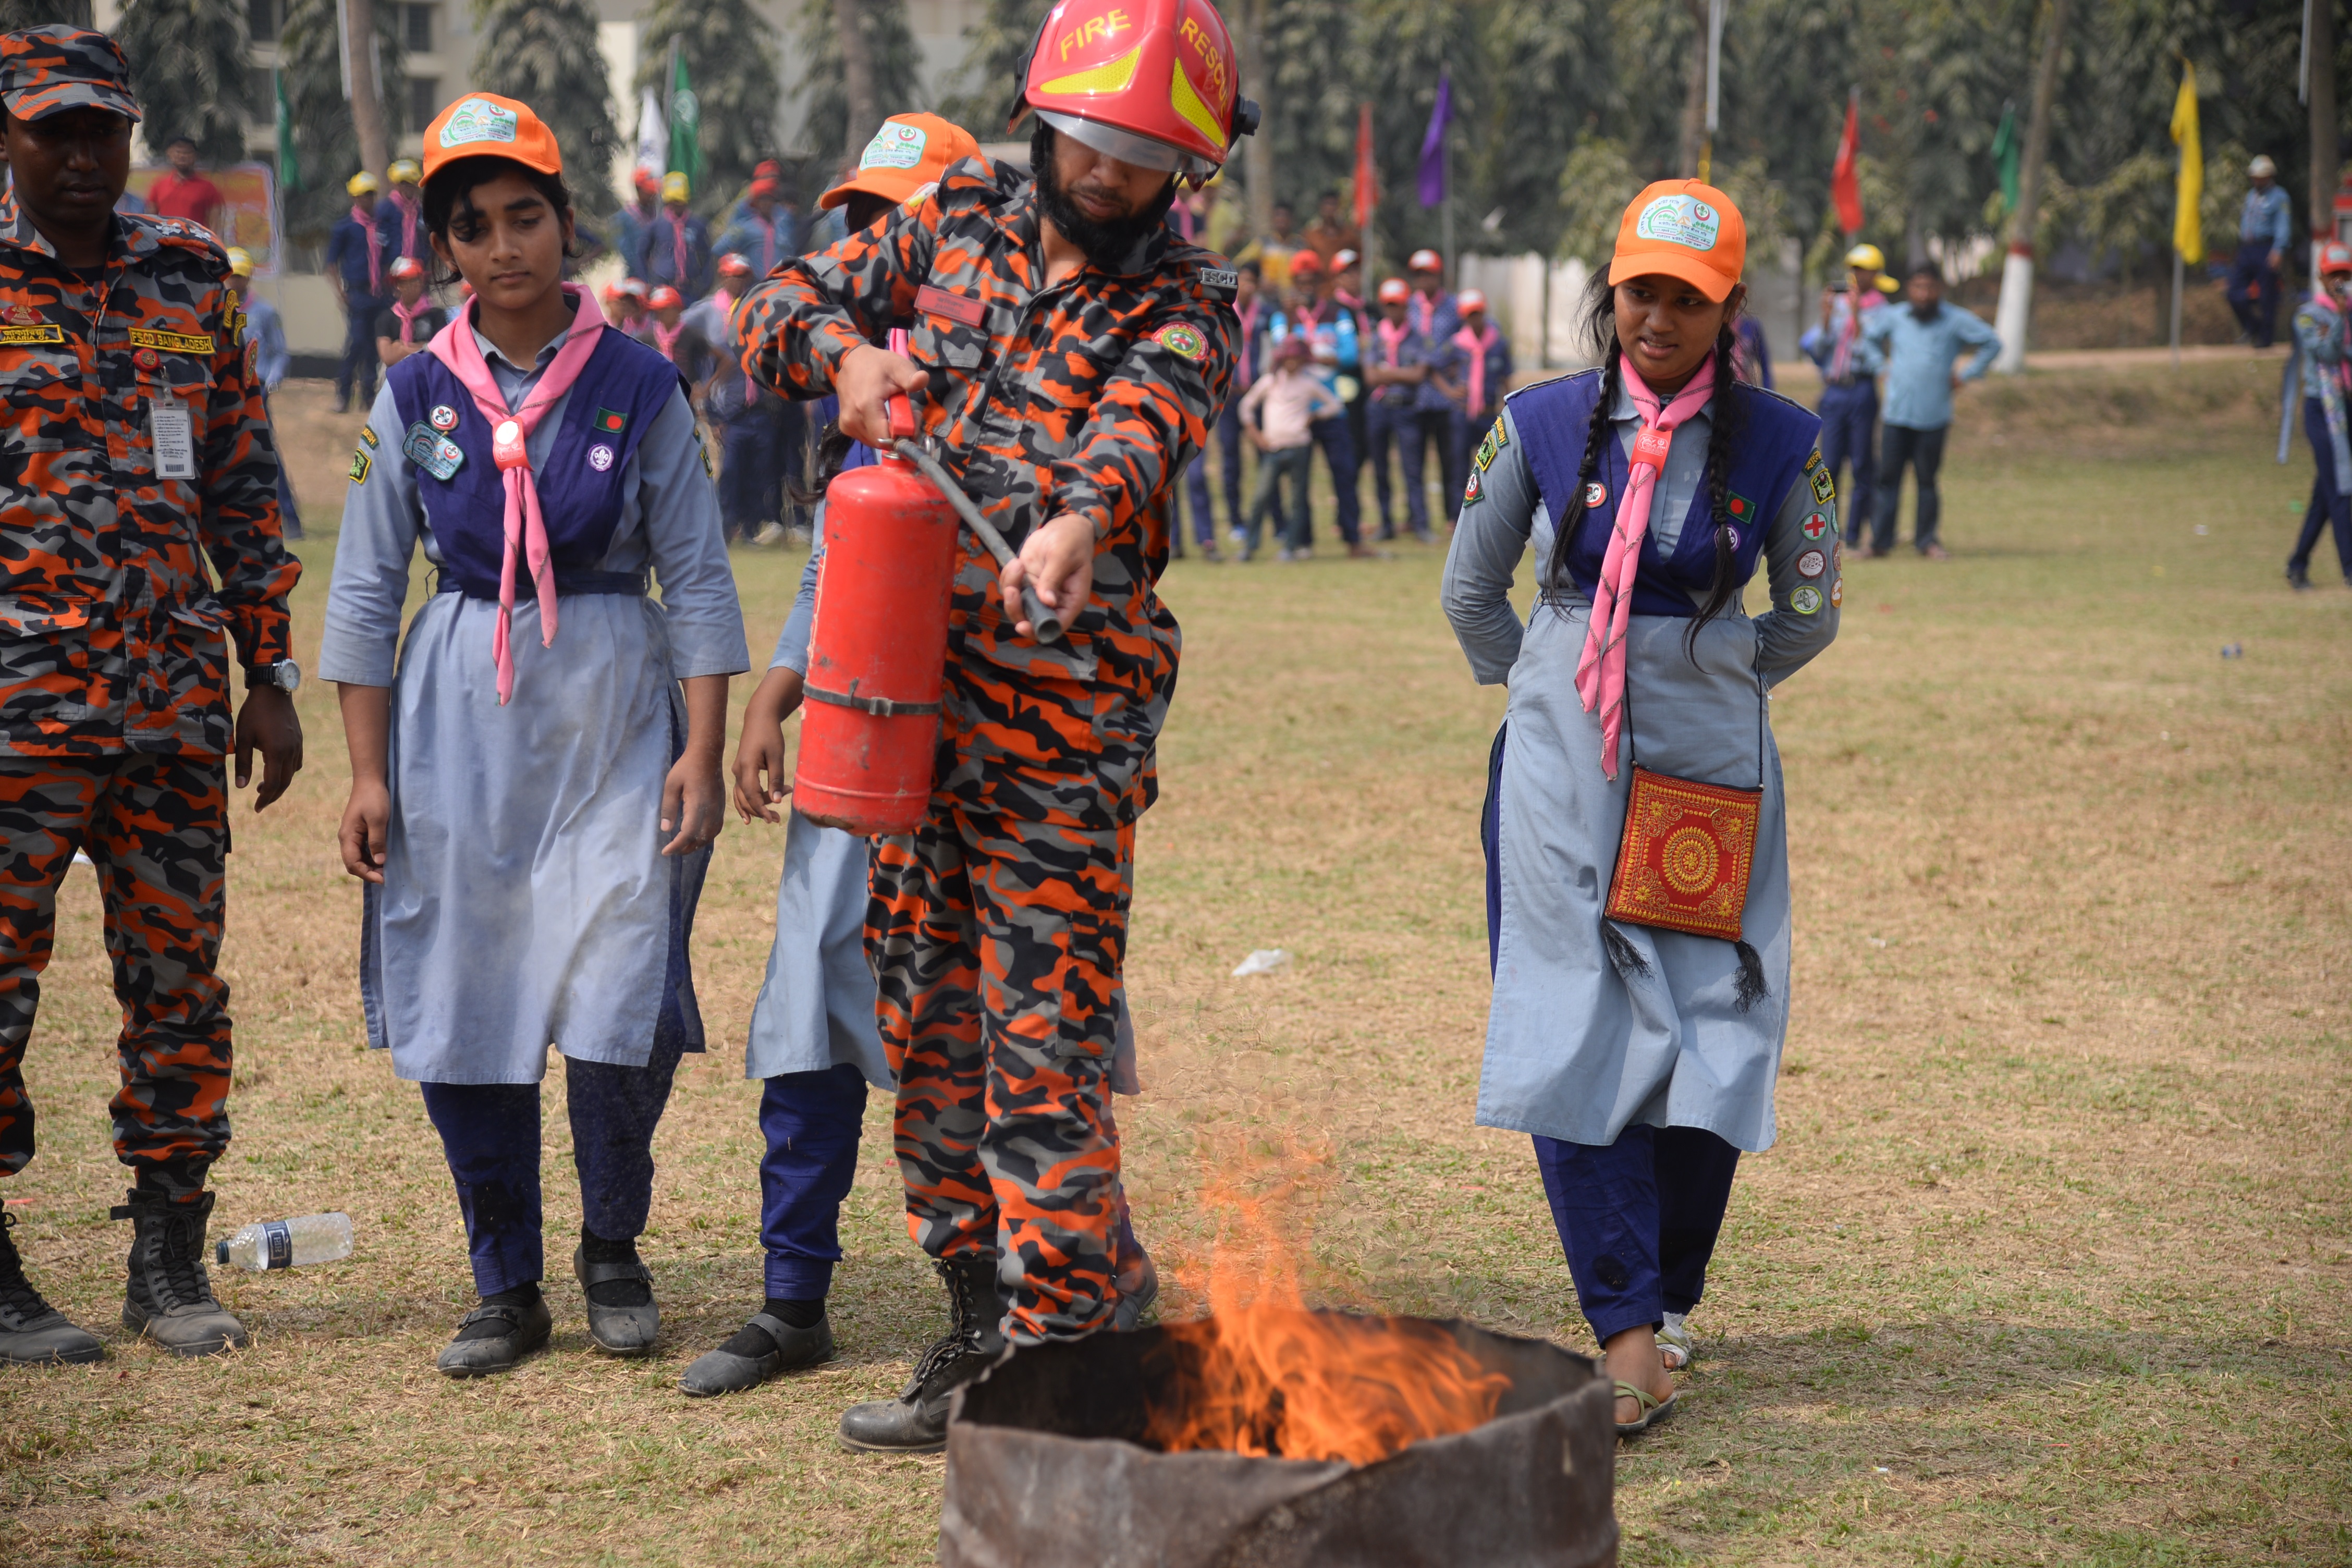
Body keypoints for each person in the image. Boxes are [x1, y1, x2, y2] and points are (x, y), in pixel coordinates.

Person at [736, 0, 1248, 1452]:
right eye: (1091, 140)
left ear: (1188, 169)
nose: (1109, 175)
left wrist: (1080, 518)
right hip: (906, 723)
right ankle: (993, 1319)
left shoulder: (1192, 303)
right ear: (1046, 116)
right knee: (926, 1026)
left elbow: (1141, 430)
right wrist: (843, 359)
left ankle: (1065, 1365)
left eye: (1146, 157)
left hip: (1060, 747)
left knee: (1045, 1044)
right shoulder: (957, 213)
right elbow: (778, 303)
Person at [318, 93, 748, 1378]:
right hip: (459, 713)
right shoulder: (409, 393)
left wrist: (702, 749)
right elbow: (359, 587)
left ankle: (613, 1245)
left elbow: (702, 574)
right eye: (473, 226)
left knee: (620, 984)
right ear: (443, 248)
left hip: (615, 705)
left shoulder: (641, 381)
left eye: (525, 216)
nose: (503, 246)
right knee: (471, 987)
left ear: (569, 224)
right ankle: (502, 1277)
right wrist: (363, 772)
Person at [1440, 179, 1839, 1439]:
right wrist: (1554, 682)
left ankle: (1663, 1297)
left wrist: (1705, 674)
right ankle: (1622, 1326)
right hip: (1560, 774)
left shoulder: (1784, 441)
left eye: (1686, 296)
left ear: (1726, 309)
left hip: (1703, 778)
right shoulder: (1534, 423)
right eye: (1639, 291)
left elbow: (1810, 608)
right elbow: (1468, 593)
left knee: (1702, 1022)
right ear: (1606, 294)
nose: (1657, 315)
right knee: (1572, 1018)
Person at [0, 25, 304, 1365]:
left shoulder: (189, 277)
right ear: (8, 137)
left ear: (131, 136)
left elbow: (243, 486)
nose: (77, 155)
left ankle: (168, 1251)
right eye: (50, 130)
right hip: (14, 715)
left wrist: (272, 671)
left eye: (99, 131)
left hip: (173, 709)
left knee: (178, 989)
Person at [1860, 263, 1999, 559]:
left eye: (1930, 287)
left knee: (1927, 481)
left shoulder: (1954, 320)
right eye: (1918, 287)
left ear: (1940, 289)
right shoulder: (1895, 317)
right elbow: (1869, 340)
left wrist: (1967, 374)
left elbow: (1992, 343)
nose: (1924, 294)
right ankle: (1880, 543)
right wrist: (1879, 367)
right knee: (1887, 480)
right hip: (1897, 414)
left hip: (1933, 416)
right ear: (1909, 289)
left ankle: (1927, 541)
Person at [1276, 248, 1368, 556]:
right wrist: (1294, 330)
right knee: (1299, 483)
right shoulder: (1284, 316)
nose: (1306, 287)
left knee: (1345, 473)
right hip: (1299, 413)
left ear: (1320, 282)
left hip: (1331, 409)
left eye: (1311, 281)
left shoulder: (1336, 314)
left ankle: (1353, 539)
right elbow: (1281, 355)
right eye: (1300, 281)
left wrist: (1307, 354)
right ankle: (1303, 542)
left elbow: (1350, 355)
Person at [689, 253, 780, 543]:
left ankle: (752, 529)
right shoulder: (706, 312)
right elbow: (680, 343)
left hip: (759, 405)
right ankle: (725, 529)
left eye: (743, 275)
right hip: (725, 409)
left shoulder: (759, 307)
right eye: (733, 275)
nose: (739, 281)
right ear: (723, 276)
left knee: (759, 471)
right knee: (728, 473)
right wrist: (700, 387)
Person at [1796, 265, 1885, 532]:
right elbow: (1813, 349)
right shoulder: (1835, 311)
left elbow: (1867, 351)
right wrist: (1826, 318)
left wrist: (1857, 316)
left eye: (1865, 272)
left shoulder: (1881, 311)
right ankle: (1827, 529)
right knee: (1829, 464)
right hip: (1834, 391)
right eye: (1853, 273)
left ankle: (1856, 532)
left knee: (1861, 463)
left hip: (1861, 388)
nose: (1858, 278)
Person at [1239, 334, 1342, 560]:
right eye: (1289, 359)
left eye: (1297, 359)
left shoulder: (1308, 384)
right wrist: (1256, 435)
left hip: (1299, 447)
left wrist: (1315, 416)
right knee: (1260, 497)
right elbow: (1246, 406)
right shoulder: (1270, 382)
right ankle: (1249, 547)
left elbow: (1334, 404)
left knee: (1298, 500)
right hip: (1273, 448)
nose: (1292, 363)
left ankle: (1292, 547)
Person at [226, 246, 305, 541]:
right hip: (223, 391)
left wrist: (273, 379)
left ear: (248, 279)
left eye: (240, 276)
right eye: (231, 276)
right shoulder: (215, 310)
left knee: (266, 452)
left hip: (256, 389)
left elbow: (279, 351)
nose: (235, 282)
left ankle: (291, 518)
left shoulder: (265, 312)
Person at [2287, 243, 2352, 589]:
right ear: (2321, 277)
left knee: (2324, 495)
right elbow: (2326, 352)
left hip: (2347, 405)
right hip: (2321, 408)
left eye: (2345, 274)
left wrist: (2340, 330)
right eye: (2334, 275)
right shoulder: (2308, 315)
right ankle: (2350, 568)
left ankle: (2297, 564)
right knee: (2342, 486)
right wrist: (2341, 321)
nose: (2340, 281)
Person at [1366, 275, 1434, 541]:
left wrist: (1387, 372)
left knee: (1413, 468)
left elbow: (1419, 375)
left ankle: (1421, 523)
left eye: (1398, 305)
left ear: (1407, 307)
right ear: (1383, 307)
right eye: (1389, 305)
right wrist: (1401, 373)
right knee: (1380, 469)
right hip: (1380, 408)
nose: (1394, 310)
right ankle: (1385, 523)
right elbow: (1371, 377)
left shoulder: (1418, 338)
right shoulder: (1375, 337)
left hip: (1407, 409)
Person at [324, 169, 390, 412]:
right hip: (358, 293)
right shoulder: (345, 227)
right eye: (363, 195)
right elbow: (331, 263)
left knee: (375, 346)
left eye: (371, 195)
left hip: (380, 294)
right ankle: (343, 393)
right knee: (356, 343)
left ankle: (368, 397)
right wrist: (341, 293)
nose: (368, 200)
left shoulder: (382, 226)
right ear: (354, 198)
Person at [1446, 288, 1511, 520]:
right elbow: (1434, 367)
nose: (1474, 319)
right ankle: (1456, 517)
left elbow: (1506, 377)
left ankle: (1491, 514)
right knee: (1459, 466)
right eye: (1470, 314)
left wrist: (1507, 409)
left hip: (1487, 414)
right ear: (1463, 317)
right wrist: (1450, 390)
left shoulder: (1498, 343)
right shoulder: (1456, 344)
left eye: (1478, 313)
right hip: (1462, 414)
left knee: (1491, 466)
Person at [2228, 155, 2293, 351]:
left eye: (2261, 177)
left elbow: (2283, 225)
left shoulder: (2280, 197)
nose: (2257, 180)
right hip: (2247, 248)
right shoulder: (2251, 196)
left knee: (2268, 296)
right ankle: (2252, 327)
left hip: (2267, 248)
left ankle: (2265, 339)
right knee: (2234, 292)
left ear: (2269, 176)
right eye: (2254, 176)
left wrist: (2278, 250)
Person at [717, 167, 800, 277]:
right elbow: (720, 248)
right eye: (762, 200)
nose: (766, 204)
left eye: (769, 200)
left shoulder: (785, 223)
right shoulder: (745, 227)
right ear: (756, 203)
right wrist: (739, 265)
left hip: (781, 284)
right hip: (755, 287)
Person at [646, 170, 713, 304]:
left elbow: (707, 256)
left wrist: (705, 284)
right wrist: (647, 281)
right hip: (663, 286)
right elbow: (641, 253)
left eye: (679, 201)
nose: (675, 206)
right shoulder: (656, 226)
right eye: (672, 202)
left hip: (690, 290)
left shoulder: (698, 226)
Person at [372, 254, 447, 365]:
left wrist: (401, 348)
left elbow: (441, 351)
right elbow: (388, 357)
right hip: (395, 376)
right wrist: (424, 347)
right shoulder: (386, 318)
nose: (411, 285)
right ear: (397, 286)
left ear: (422, 282)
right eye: (404, 281)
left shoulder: (436, 315)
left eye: (415, 280)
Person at [144, 132, 224, 232]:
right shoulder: (158, 186)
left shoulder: (208, 188)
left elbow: (216, 223)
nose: (182, 156)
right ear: (169, 154)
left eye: (187, 153)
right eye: (178, 152)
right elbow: (150, 221)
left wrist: (213, 246)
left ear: (195, 156)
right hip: (166, 245)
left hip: (196, 245)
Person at [376, 156, 429, 267]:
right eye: (403, 183)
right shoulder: (385, 209)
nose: (408, 187)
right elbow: (379, 243)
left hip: (418, 268)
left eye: (411, 183)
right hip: (392, 269)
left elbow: (427, 241)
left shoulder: (421, 210)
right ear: (395, 185)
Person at [1235, 198, 1298, 289]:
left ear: (1292, 220)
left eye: (1285, 216)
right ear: (1273, 219)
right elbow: (1239, 262)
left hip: (1291, 298)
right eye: (1278, 216)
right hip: (1266, 298)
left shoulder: (1300, 245)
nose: (1282, 220)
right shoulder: (1263, 243)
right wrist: (1257, 280)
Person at [611, 169, 661, 279]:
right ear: (639, 190)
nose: (653, 196)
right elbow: (627, 253)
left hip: (656, 275)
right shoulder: (626, 217)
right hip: (636, 277)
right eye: (649, 192)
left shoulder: (655, 213)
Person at [1302, 187, 1349, 264]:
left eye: (1333, 204)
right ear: (1321, 207)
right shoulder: (1311, 236)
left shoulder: (1348, 234)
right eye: (1327, 204)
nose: (1330, 208)